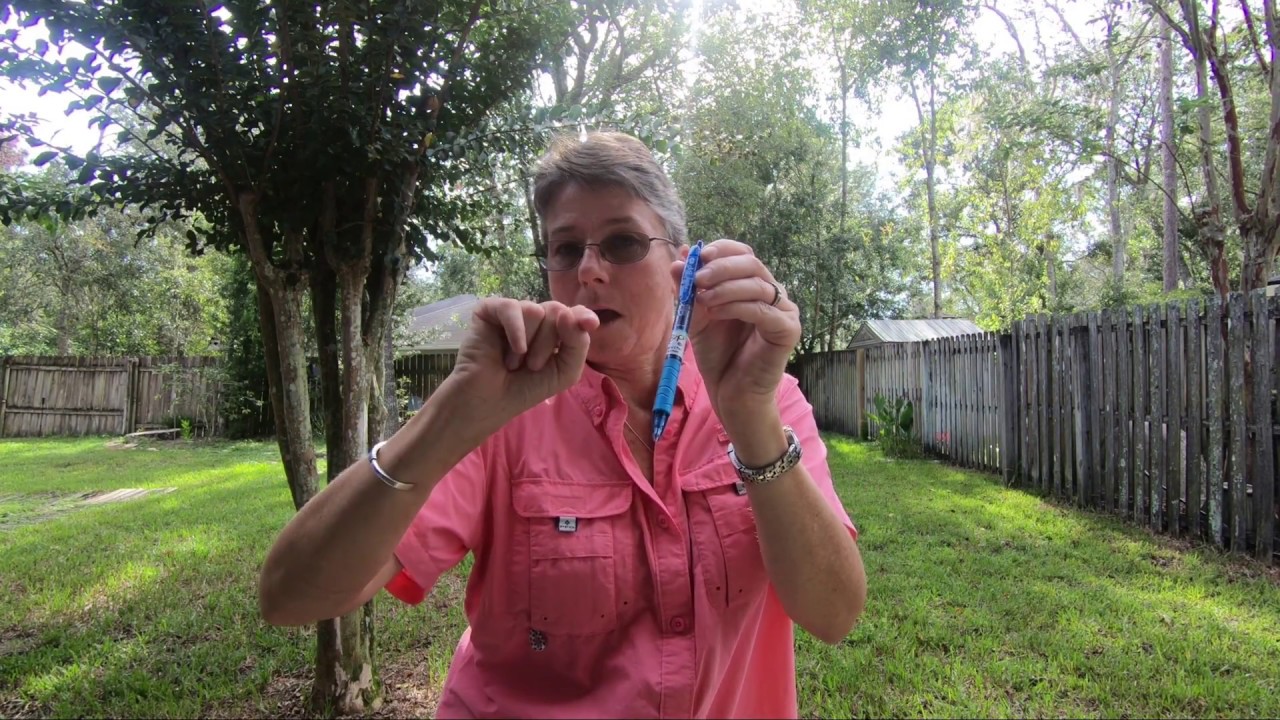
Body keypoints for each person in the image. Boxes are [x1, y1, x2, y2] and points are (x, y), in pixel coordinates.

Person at [258, 131, 867, 718]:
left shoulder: (766, 399)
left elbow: (833, 614)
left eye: (623, 242)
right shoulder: (506, 408)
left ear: (684, 267)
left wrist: (751, 418)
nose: (590, 271)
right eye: (566, 248)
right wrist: (450, 415)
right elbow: (292, 595)